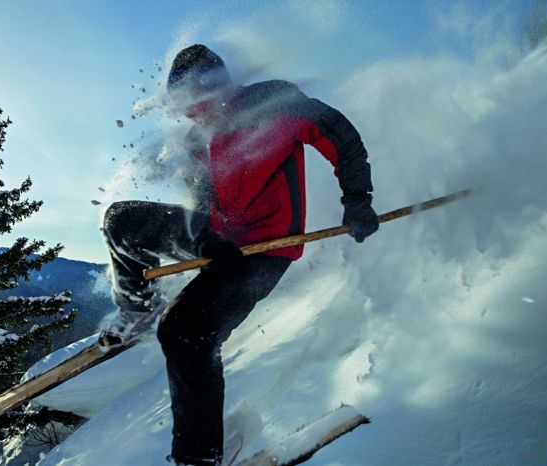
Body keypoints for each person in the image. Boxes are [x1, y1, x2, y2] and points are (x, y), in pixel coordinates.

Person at [100, 44, 379, 466]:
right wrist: (203, 241)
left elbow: (342, 137)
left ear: (222, 86)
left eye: (196, 101)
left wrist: (357, 199)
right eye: (182, 105)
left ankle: (198, 459)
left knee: (184, 332)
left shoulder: (276, 104)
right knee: (120, 218)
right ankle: (136, 305)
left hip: (266, 250)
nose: (191, 113)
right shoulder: (197, 141)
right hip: (219, 245)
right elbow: (202, 204)